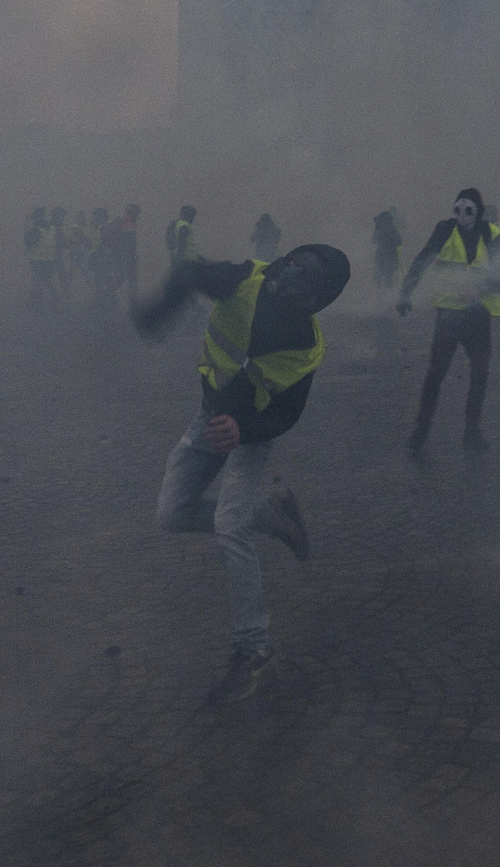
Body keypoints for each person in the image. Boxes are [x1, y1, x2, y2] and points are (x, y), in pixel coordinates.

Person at [134, 239, 347, 708]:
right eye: (294, 267)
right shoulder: (245, 279)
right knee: (171, 514)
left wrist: (244, 427)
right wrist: (159, 311)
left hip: (249, 433)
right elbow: (190, 270)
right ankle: (272, 515)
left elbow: (289, 413)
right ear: (285, 262)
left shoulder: (307, 344)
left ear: (317, 300)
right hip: (208, 415)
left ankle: (253, 651)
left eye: (307, 282)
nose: (291, 281)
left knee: (231, 525)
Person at [397, 187, 500, 455]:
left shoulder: (491, 235)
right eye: (457, 209)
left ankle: (472, 434)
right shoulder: (445, 230)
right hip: (449, 314)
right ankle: (420, 432)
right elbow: (423, 259)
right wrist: (405, 292)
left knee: (479, 375)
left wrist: (479, 290)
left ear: (478, 211)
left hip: (478, 314)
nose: (462, 216)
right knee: (435, 375)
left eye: (468, 210)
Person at [25, 207, 60, 308]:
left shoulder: (36, 229)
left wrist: (27, 228)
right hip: (49, 259)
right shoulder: (52, 227)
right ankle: (54, 298)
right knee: (48, 280)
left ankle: (37, 301)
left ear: (36, 217)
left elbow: (28, 242)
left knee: (37, 280)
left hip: (37, 259)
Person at [112, 205, 142, 308]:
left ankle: (106, 294)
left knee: (121, 278)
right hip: (127, 257)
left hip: (120, 256)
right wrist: (131, 257)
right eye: (137, 213)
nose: (138, 215)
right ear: (133, 213)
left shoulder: (122, 221)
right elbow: (130, 244)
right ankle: (133, 304)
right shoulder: (129, 224)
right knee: (131, 280)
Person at [370, 207, 403, 291]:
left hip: (381, 256)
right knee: (389, 278)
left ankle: (378, 295)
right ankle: (388, 295)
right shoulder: (393, 230)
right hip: (392, 256)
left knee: (378, 276)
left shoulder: (379, 229)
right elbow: (399, 242)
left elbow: (373, 240)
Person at [166, 205, 197, 271]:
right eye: (192, 216)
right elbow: (181, 244)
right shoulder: (184, 226)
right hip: (186, 261)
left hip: (185, 260)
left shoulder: (179, 224)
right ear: (188, 215)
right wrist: (179, 261)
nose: (193, 219)